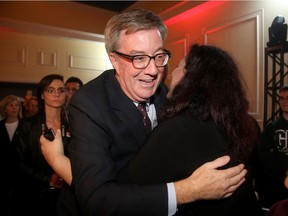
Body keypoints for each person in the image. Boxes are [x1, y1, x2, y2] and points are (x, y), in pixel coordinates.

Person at [40, 9, 247, 216]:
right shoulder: (89, 104)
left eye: (158, 56)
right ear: (114, 60)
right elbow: (97, 199)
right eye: (139, 58)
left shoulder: (164, 93)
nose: (153, 70)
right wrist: (188, 191)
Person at [117, 44, 262, 215]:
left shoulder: (177, 130)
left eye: (178, 67)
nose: (170, 74)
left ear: (189, 78)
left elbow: (122, 193)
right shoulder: (244, 125)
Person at [16, 74, 69, 216]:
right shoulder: (27, 125)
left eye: (61, 90)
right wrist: (47, 179)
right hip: (34, 195)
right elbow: (17, 163)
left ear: (66, 95)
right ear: (42, 95)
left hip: (67, 196)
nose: (57, 94)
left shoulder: (74, 125)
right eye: (50, 90)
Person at [254, 84, 288, 210]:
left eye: (287, 98)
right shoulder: (272, 127)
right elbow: (263, 156)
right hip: (277, 186)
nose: (284, 101)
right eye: (282, 98)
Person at [0, 95, 23, 215]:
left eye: (17, 105)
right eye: (11, 105)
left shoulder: (25, 126)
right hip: (3, 174)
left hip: (22, 173)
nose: (14, 108)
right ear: (5, 108)